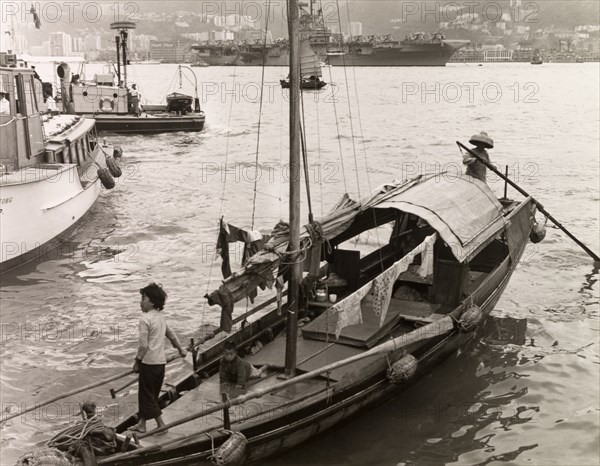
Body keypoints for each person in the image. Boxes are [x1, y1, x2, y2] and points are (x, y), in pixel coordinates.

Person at [129, 283, 187, 434]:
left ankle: (162, 425)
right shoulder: (161, 317)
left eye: (143, 299)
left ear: (152, 302)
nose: (140, 302)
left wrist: (137, 361)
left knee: (146, 396)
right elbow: (171, 335)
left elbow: (143, 346)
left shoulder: (145, 319)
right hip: (160, 364)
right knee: (151, 396)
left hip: (148, 363)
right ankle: (142, 424)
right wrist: (181, 349)